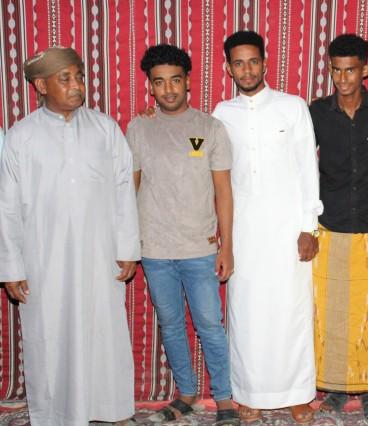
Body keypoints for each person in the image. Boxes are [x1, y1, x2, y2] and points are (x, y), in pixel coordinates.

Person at [0, 46, 139, 425]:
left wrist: (128, 247)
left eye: (79, 76)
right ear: (41, 86)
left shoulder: (105, 128)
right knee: (50, 334)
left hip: (100, 255)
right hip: (44, 259)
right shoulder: (21, 137)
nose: (77, 85)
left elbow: (124, 190)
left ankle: (109, 408)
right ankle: (57, 413)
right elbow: (7, 206)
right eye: (66, 79)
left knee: (103, 330)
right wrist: (11, 267)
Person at [212, 30, 322, 424]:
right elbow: (204, 162)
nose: (247, 70)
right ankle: (251, 393)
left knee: (291, 311)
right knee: (248, 314)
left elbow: (308, 168)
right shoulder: (221, 113)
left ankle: (297, 394)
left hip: (289, 228)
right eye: (238, 63)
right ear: (229, 69)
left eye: (253, 61)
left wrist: (310, 227)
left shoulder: (292, 107)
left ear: (265, 63)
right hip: (243, 231)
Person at [126, 44, 238, 425]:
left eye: (175, 80)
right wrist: (127, 244)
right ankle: (186, 393)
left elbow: (223, 191)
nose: (168, 89)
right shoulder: (139, 128)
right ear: (150, 87)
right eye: (159, 82)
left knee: (210, 326)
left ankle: (224, 397)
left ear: (188, 81)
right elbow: (129, 189)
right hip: (155, 250)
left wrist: (227, 246)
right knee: (171, 325)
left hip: (200, 248)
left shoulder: (210, 128)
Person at [308, 33, 368, 421]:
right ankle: (331, 387)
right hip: (329, 225)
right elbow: (298, 159)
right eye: (336, 70)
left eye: (350, 70)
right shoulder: (317, 111)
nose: (343, 78)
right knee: (330, 311)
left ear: (365, 70)